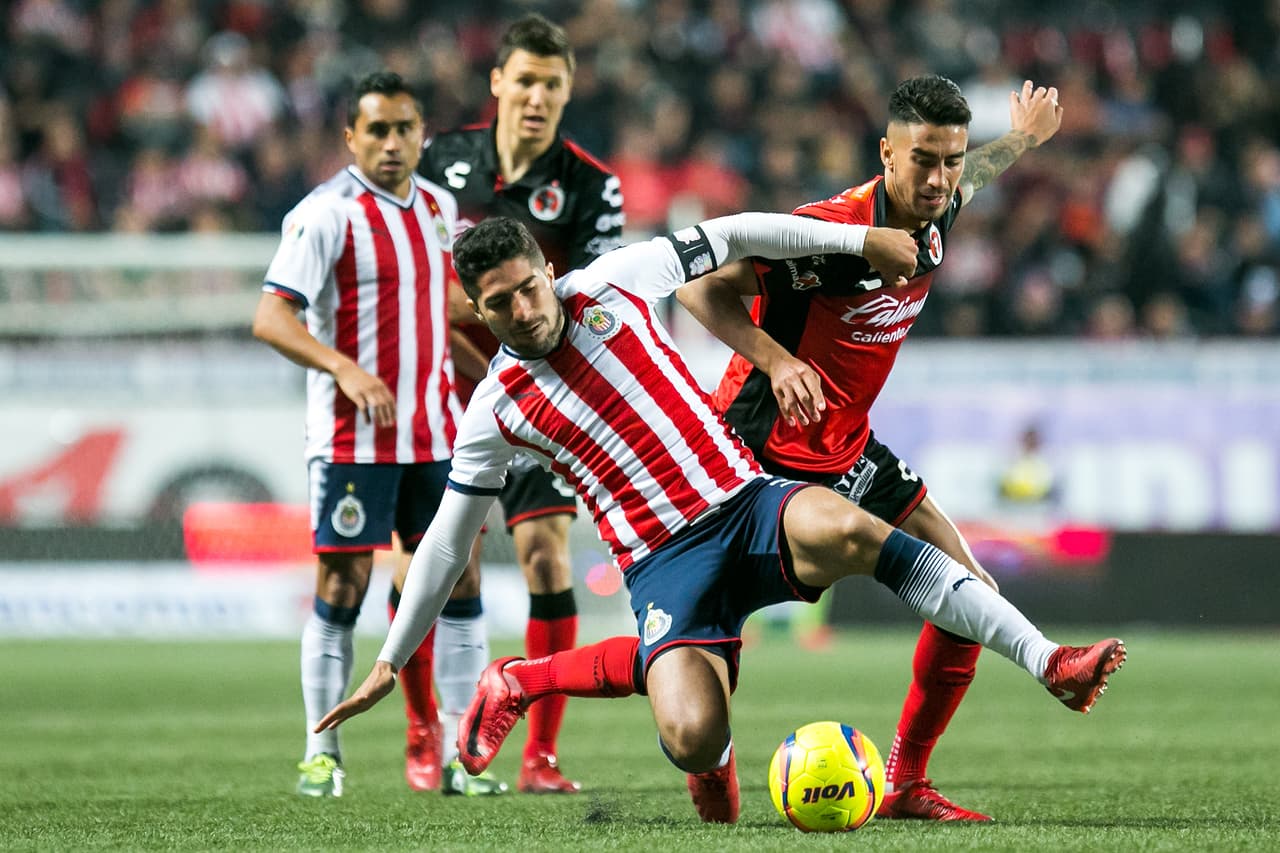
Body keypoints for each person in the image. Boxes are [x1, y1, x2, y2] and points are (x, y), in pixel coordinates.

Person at [314, 213, 1126, 825]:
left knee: (849, 527)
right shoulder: (495, 408)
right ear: (476, 309)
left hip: (745, 502)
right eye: (501, 304)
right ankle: (523, 681)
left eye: (529, 286)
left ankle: (1048, 659)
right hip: (663, 563)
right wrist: (391, 658)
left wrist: (860, 240)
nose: (524, 309)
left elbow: (740, 231)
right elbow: (451, 537)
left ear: (546, 268)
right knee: (694, 734)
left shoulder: (614, 281)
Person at [674, 75, 1064, 821]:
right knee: (715, 652)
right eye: (924, 159)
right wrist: (777, 359)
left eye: (949, 159)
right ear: (886, 153)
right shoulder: (827, 232)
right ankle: (708, 758)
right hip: (758, 446)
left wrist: (1024, 140)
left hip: (847, 444)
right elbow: (700, 291)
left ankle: (906, 781)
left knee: (967, 591)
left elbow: (974, 176)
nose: (941, 176)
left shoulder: (938, 204)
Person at [252, 71, 503, 798]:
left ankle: (464, 755)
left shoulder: (438, 207)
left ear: (422, 133)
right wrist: (345, 370)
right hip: (353, 439)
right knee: (345, 583)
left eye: (405, 129)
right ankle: (320, 752)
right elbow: (271, 317)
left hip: (435, 433)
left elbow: (431, 307)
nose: (393, 143)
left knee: (459, 578)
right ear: (350, 137)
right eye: (379, 130)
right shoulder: (323, 215)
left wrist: (483, 366)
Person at [414, 12, 625, 794]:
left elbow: (588, 302)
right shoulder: (441, 164)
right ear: (497, 81)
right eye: (526, 79)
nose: (537, 96)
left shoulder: (591, 185)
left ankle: (540, 754)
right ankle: (433, 731)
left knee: (545, 556)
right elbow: (421, 289)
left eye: (553, 84)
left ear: (568, 93)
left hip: (542, 400)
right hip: (449, 395)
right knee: (451, 566)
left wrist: (464, 308)